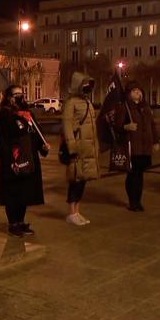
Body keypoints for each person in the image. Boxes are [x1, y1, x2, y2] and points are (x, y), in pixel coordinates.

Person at [0, 85, 49, 237]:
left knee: (25, 192)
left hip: (29, 159)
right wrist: (9, 161)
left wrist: (43, 147)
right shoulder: (5, 115)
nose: (19, 97)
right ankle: (13, 223)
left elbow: (36, 135)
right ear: (9, 97)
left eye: (21, 94)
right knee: (13, 192)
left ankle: (21, 221)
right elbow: (2, 141)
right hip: (14, 159)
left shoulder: (28, 114)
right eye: (15, 94)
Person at [114, 81, 160, 211]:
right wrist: (126, 126)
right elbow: (117, 126)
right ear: (129, 94)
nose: (138, 93)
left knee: (140, 175)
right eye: (134, 91)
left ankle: (138, 200)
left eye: (139, 91)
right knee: (132, 175)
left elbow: (152, 125)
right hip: (132, 147)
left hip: (145, 148)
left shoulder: (145, 108)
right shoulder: (124, 107)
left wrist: (155, 141)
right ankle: (132, 201)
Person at [61, 72, 100, 226]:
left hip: (87, 148)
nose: (87, 88)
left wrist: (95, 147)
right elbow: (67, 125)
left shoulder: (88, 102)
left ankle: (77, 211)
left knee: (83, 180)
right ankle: (71, 213)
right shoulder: (71, 103)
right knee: (75, 179)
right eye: (85, 84)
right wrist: (72, 147)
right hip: (77, 147)